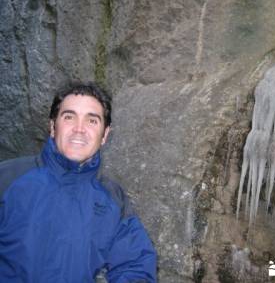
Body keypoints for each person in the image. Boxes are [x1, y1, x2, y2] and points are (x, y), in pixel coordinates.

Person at [0, 82, 157, 282]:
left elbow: (136, 265)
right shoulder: (8, 178)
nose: (79, 129)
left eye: (92, 121)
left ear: (105, 135)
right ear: (52, 127)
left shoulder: (113, 200)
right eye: (69, 117)